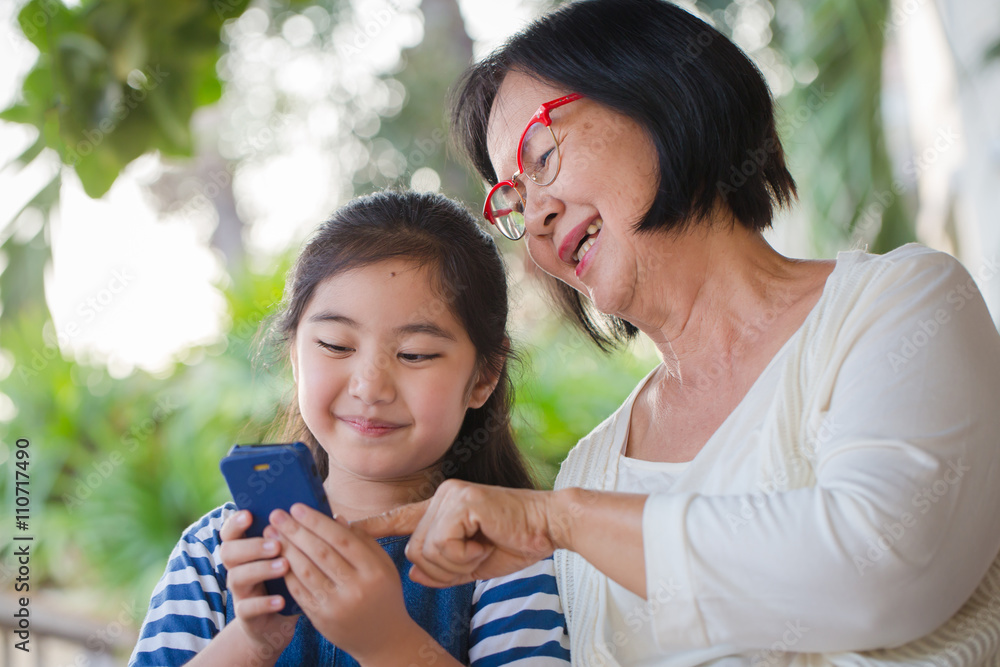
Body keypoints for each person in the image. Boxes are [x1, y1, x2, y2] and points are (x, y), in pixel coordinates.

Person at [356, 0, 1000, 664]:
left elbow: (880, 570)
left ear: (660, 92)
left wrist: (561, 520)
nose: (538, 214)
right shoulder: (592, 466)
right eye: (515, 201)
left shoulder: (902, 305)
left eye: (542, 155)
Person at [128, 191, 571, 666]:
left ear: (484, 375)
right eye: (336, 346)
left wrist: (387, 642)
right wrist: (251, 643)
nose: (369, 386)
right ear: (296, 355)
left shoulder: (505, 556)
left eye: (415, 354)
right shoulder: (215, 553)